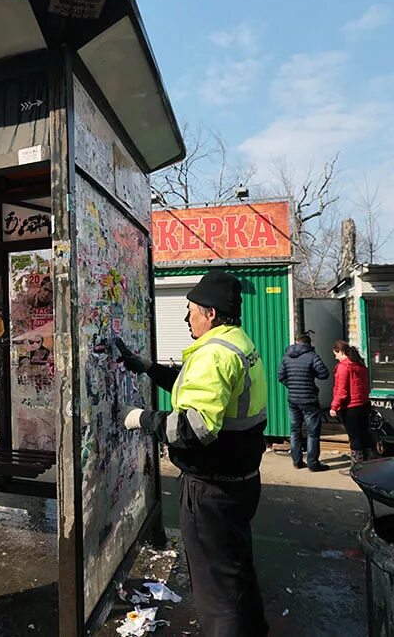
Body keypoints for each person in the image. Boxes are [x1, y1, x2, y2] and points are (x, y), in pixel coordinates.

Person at [116, 270, 268, 637]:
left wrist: (140, 419)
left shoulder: (213, 354)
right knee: (235, 570)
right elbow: (196, 384)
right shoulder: (236, 343)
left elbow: (195, 427)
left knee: (215, 590)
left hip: (212, 489)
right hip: (241, 481)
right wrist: (149, 368)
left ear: (210, 313)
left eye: (190, 310)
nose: (186, 318)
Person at [277, 333, 330, 471]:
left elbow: (280, 377)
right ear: (308, 344)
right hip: (309, 400)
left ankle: (297, 461)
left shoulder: (287, 357)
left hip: (293, 399)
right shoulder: (312, 356)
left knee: (295, 431)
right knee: (313, 433)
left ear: (296, 342)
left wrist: (293, 385)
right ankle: (313, 464)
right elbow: (324, 374)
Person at [330, 340, 375, 465]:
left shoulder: (344, 367)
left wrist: (334, 407)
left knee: (354, 437)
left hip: (350, 407)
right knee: (365, 433)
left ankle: (357, 465)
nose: (335, 357)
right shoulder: (359, 364)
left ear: (341, 352)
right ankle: (371, 461)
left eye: (336, 354)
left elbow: (342, 390)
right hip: (364, 404)